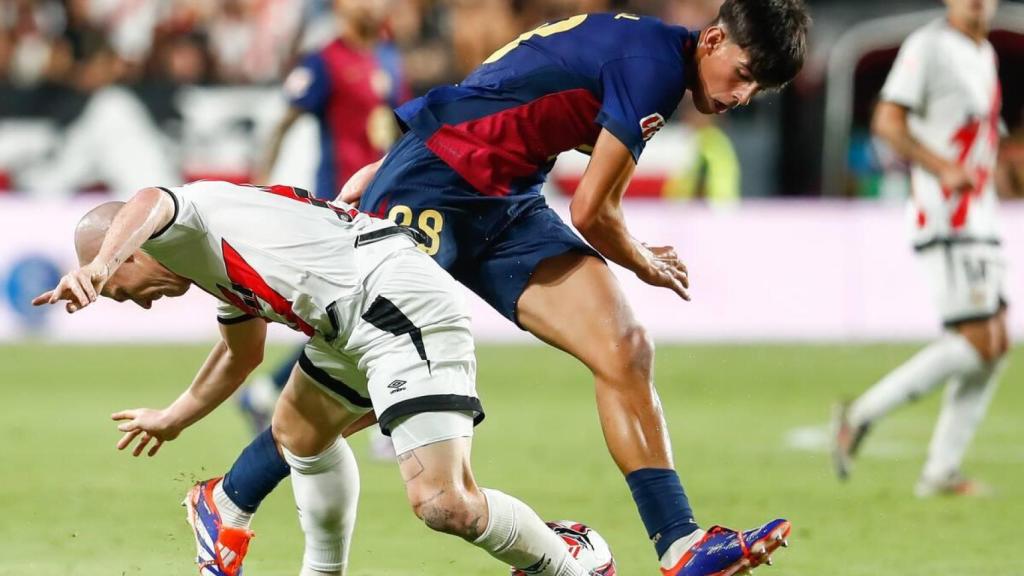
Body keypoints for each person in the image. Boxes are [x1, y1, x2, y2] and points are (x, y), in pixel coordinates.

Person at [196, 3, 808, 575]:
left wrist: (395, 156)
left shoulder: (646, 56)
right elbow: (593, 211)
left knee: (624, 346)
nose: (741, 95)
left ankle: (681, 543)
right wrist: (643, 260)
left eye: (758, 89)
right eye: (744, 74)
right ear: (713, 38)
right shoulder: (650, 68)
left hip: (504, 197)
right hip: (435, 186)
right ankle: (226, 500)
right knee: (355, 385)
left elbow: (508, 83)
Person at [33, 181, 599, 576]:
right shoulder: (209, 265)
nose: (139, 306)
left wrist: (96, 267)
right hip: (348, 327)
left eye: (120, 292)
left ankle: (571, 563)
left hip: (394, 306)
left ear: (129, 255)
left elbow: (151, 199)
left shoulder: (184, 217)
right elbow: (239, 355)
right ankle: (245, 520)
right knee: (299, 433)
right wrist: (173, 417)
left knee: (444, 506)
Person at [832, 0, 1009, 497]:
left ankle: (940, 472)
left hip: (980, 213)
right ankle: (861, 414)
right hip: (945, 213)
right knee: (977, 341)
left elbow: (977, 136)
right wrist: (939, 166)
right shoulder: (929, 46)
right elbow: (887, 121)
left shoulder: (985, 54)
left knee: (995, 347)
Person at [239, 0, 409, 447]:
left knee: (357, 319)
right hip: (343, 205)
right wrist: (258, 190)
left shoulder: (389, 55)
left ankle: (269, 392)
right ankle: (388, 421)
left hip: (387, 200)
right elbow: (283, 123)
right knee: (367, 315)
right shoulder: (324, 61)